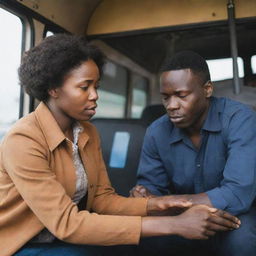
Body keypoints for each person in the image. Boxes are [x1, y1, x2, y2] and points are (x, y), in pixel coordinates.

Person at [0, 35, 239, 256]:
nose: (95, 95)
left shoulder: (87, 132)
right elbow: (67, 223)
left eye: (97, 86)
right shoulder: (24, 140)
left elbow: (102, 201)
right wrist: (173, 224)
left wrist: (159, 205)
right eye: (85, 87)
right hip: (24, 244)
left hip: (60, 239)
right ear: (53, 89)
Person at [130, 50, 256, 256]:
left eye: (181, 95)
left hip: (234, 214)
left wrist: (171, 205)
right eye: (165, 97)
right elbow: (152, 191)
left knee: (242, 242)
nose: (171, 106)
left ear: (207, 89)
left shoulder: (240, 119)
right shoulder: (156, 131)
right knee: (146, 240)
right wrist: (144, 197)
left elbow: (238, 193)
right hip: (179, 218)